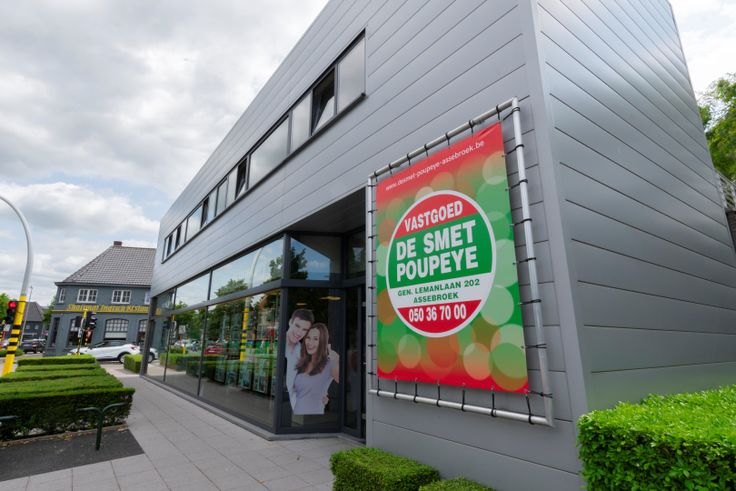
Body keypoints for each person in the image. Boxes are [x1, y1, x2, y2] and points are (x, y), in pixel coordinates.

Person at [292, 323, 340, 415]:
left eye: (315, 339)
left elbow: (346, 382)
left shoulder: (330, 364)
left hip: (314, 419)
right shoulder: (302, 363)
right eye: (308, 338)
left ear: (322, 342)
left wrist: (337, 360)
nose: (310, 343)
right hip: (297, 416)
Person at [285, 309, 314, 409]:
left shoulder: (303, 353)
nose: (299, 332)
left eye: (304, 330)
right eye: (297, 326)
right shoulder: (277, 344)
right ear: (290, 322)